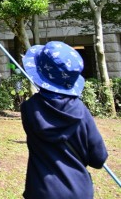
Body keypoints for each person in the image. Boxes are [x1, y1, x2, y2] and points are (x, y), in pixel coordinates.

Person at [21, 41, 108, 199]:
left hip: (41, 190)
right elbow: (98, 158)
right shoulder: (81, 112)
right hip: (78, 191)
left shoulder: (28, 109)